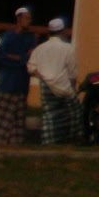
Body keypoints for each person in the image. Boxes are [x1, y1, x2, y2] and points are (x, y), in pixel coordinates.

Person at [0, 8, 38, 145]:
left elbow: (29, 58)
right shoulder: (7, 37)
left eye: (30, 18)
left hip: (21, 82)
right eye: (26, 18)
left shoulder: (30, 38)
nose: (29, 21)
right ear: (19, 19)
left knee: (18, 115)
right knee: (1, 114)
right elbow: (2, 57)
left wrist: (16, 58)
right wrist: (20, 59)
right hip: (7, 82)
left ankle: (15, 142)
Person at [27, 17, 80, 145]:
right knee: (73, 114)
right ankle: (70, 140)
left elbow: (31, 67)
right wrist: (73, 86)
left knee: (49, 115)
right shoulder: (68, 48)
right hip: (64, 87)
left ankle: (48, 141)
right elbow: (72, 73)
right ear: (62, 31)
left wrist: (43, 77)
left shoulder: (40, 48)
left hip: (47, 87)